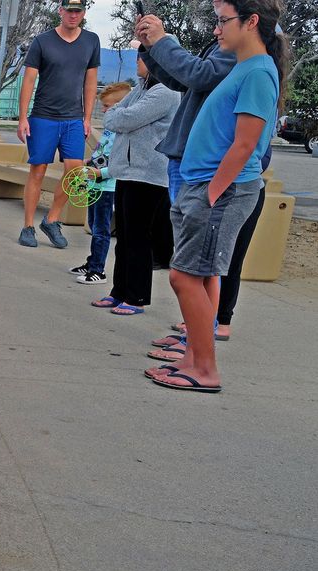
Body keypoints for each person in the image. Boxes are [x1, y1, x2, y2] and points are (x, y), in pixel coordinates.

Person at [144, 0, 286, 392]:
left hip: (221, 192)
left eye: (223, 21)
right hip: (206, 186)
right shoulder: (243, 67)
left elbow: (245, 145)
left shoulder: (258, 73)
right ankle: (193, 358)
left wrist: (210, 194)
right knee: (200, 276)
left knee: (182, 276)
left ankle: (205, 370)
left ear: (251, 21)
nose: (216, 30)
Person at [89, 58, 179, 314]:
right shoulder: (141, 88)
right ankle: (119, 291)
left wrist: (119, 114)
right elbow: (115, 114)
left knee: (139, 237)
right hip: (127, 171)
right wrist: (119, 114)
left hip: (149, 173)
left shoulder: (166, 91)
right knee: (125, 236)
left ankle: (136, 297)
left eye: (141, 58)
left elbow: (124, 119)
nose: (137, 63)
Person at [15, 0, 101, 249]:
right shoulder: (42, 41)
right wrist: (23, 118)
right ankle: (28, 226)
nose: (73, 15)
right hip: (43, 116)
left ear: (83, 13)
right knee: (38, 170)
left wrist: (86, 118)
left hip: (73, 118)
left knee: (75, 172)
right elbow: (29, 80)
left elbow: (90, 82)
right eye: (69, 10)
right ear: (60, 11)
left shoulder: (91, 41)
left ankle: (52, 220)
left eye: (78, 11)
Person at [69, 82, 130, 285]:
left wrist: (100, 172)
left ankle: (98, 270)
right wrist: (89, 163)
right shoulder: (109, 130)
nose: (103, 110)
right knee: (94, 225)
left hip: (107, 186)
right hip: (94, 184)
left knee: (101, 230)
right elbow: (101, 152)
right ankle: (91, 262)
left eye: (107, 106)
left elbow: (119, 163)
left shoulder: (123, 133)